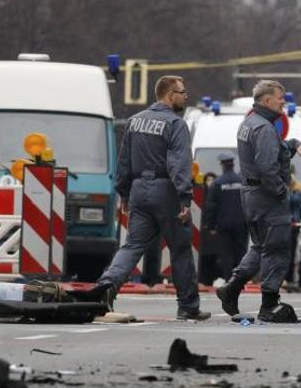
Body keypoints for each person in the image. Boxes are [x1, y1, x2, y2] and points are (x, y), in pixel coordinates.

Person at [87, 76, 210, 321]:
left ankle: (107, 287)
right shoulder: (176, 124)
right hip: (167, 191)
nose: (186, 96)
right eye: (182, 92)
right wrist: (185, 199)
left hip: (139, 189)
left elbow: (124, 161)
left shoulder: (134, 122)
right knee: (180, 249)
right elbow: (179, 164)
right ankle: (187, 307)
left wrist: (124, 194)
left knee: (133, 245)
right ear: (169, 94)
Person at [215, 80, 301, 322]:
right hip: (268, 197)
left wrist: (295, 144)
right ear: (267, 100)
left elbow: (276, 150)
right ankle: (269, 305)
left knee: (260, 247)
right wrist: (283, 193)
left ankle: (232, 288)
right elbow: (268, 167)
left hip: (252, 195)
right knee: (277, 249)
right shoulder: (264, 129)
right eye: (280, 98)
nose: (283, 102)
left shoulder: (251, 124)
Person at [204, 154, 248, 282]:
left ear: (222, 165)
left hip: (224, 225)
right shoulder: (241, 181)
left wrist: (210, 226)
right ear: (233, 165)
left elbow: (211, 206)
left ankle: (229, 280)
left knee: (226, 254)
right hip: (241, 224)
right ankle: (240, 280)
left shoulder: (217, 183)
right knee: (241, 253)